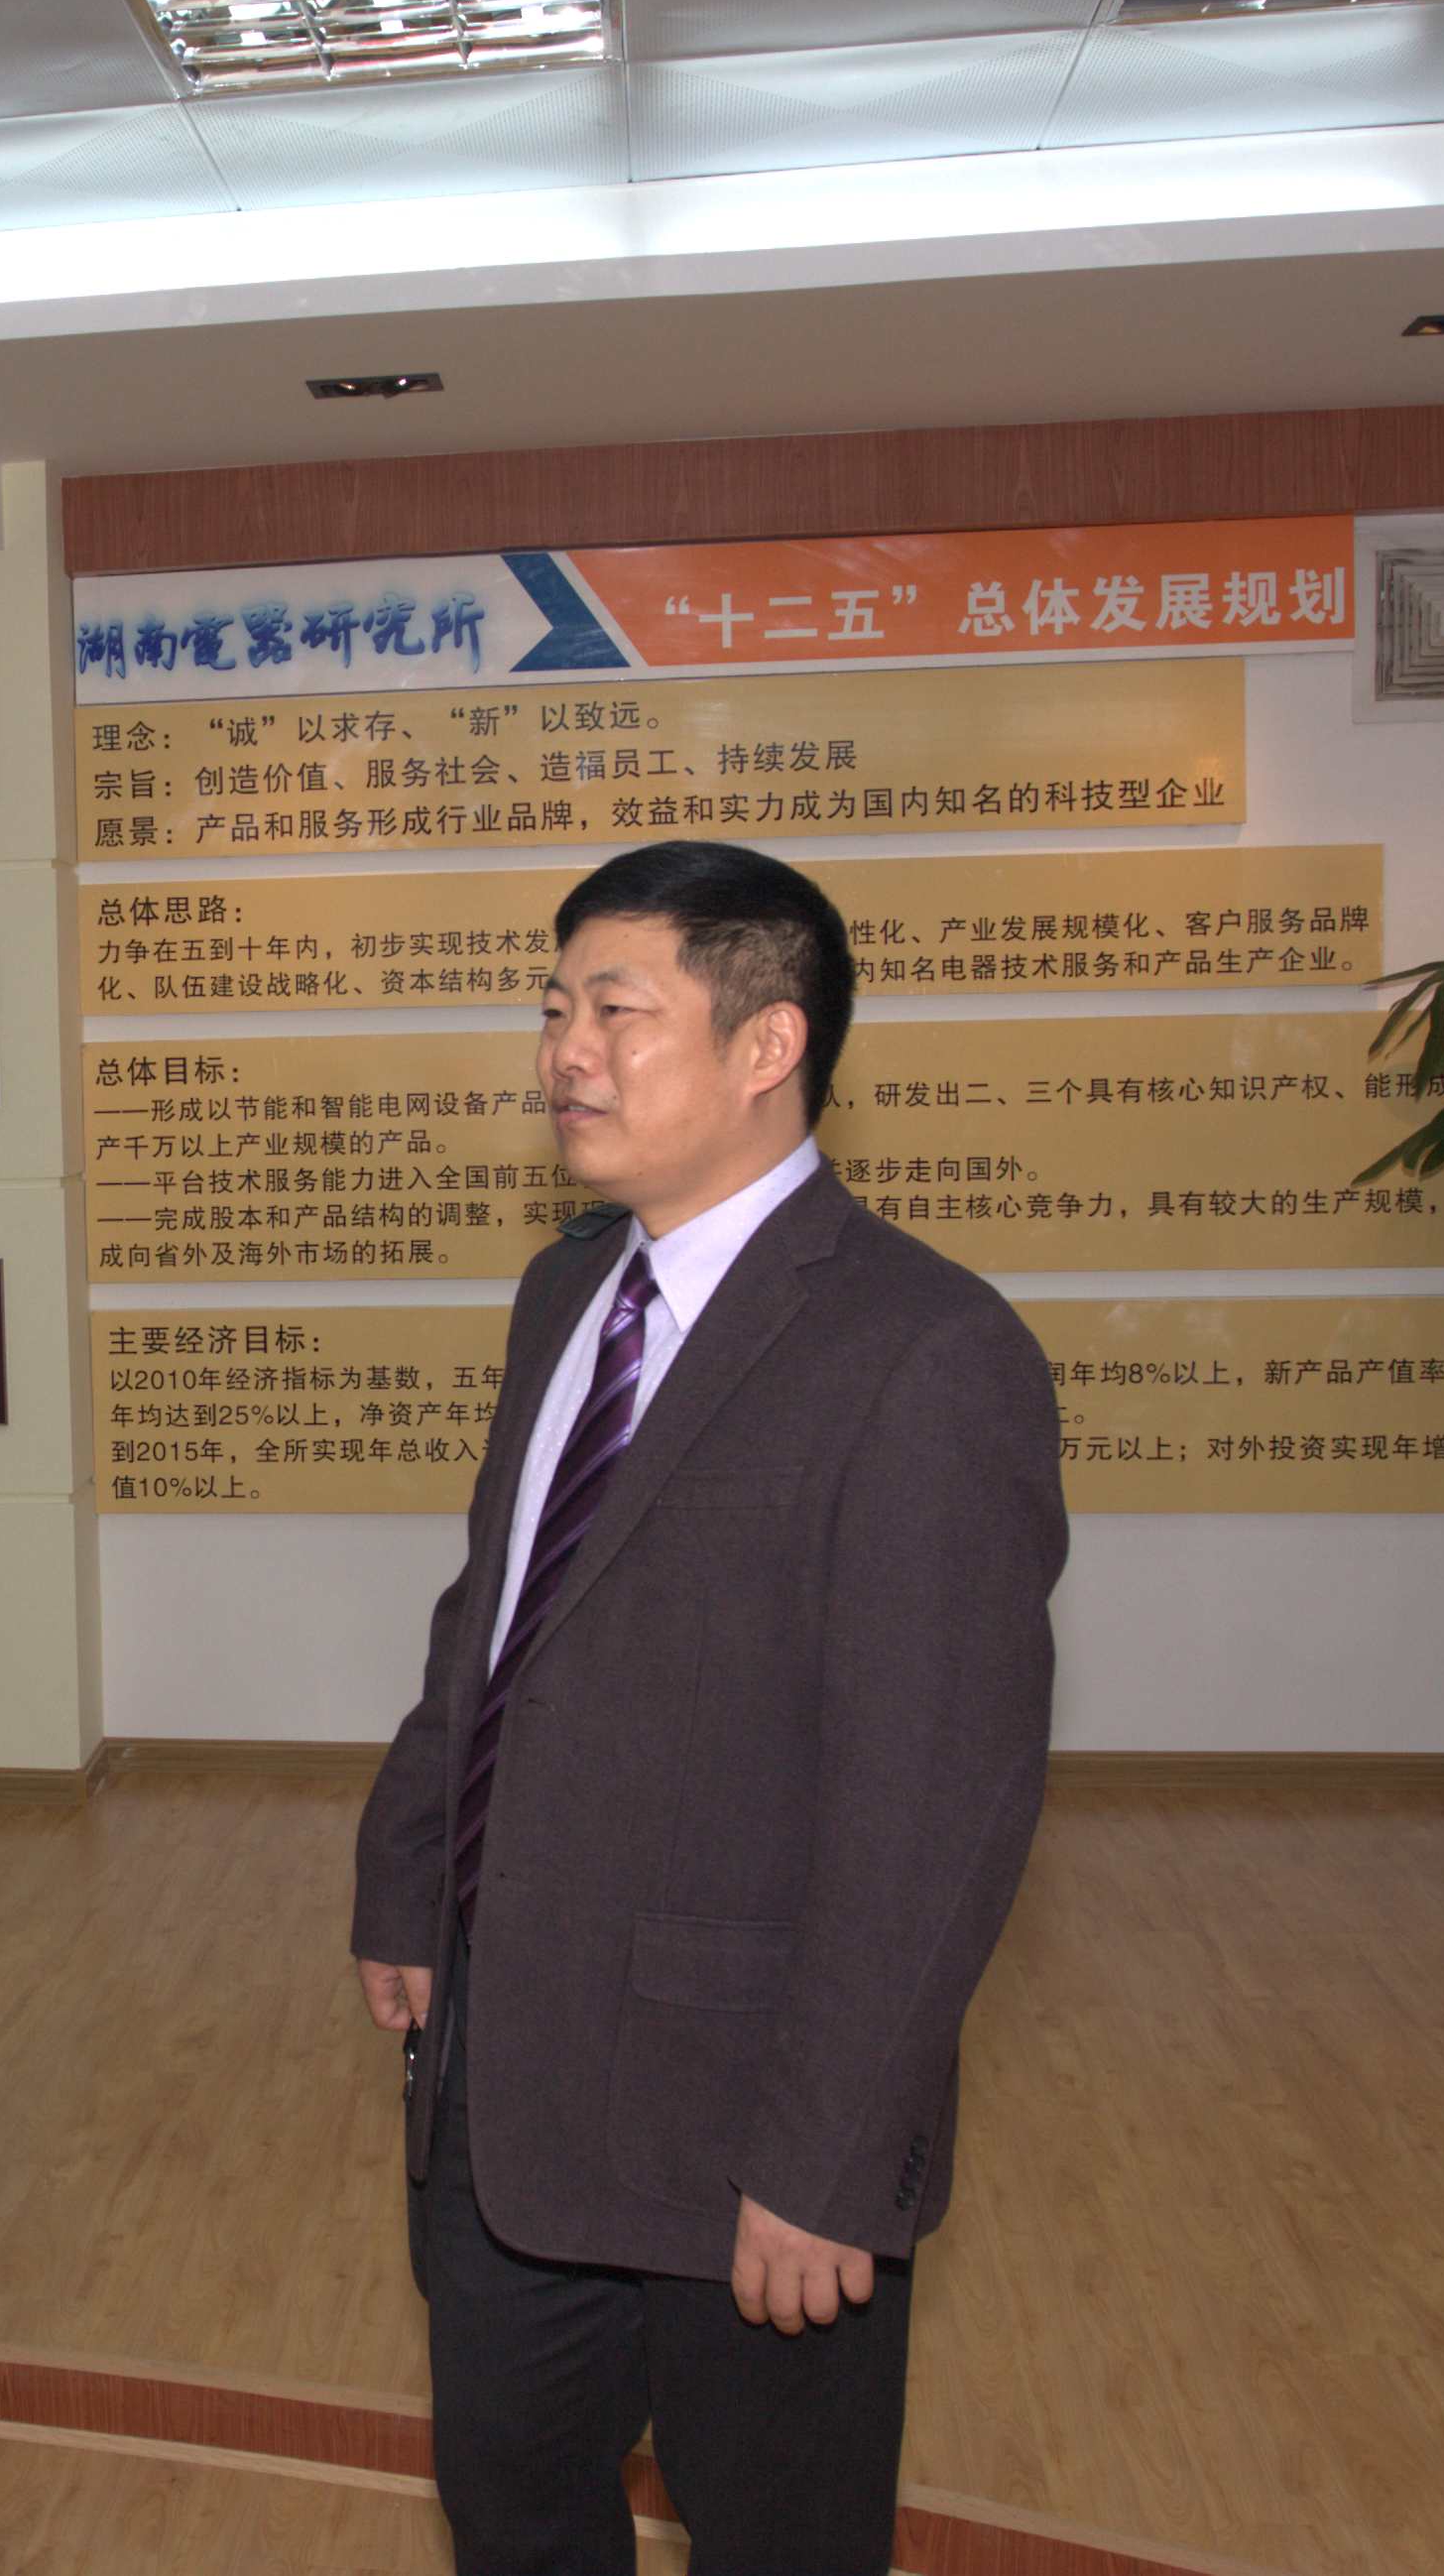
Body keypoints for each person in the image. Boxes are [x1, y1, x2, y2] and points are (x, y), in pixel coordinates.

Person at [350, 840, 1068, 2576]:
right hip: (507, 2090)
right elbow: (491, 1621)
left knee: (777, 2542)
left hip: (745, 2126)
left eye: (617, 1011)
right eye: (554, 1010)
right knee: (513, 2514)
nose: (565, 1054)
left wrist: (830, 2157)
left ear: (768, 1043)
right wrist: (407, 1874)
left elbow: (932, 1809)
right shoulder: (564, 1292)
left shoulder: (923, 1350)